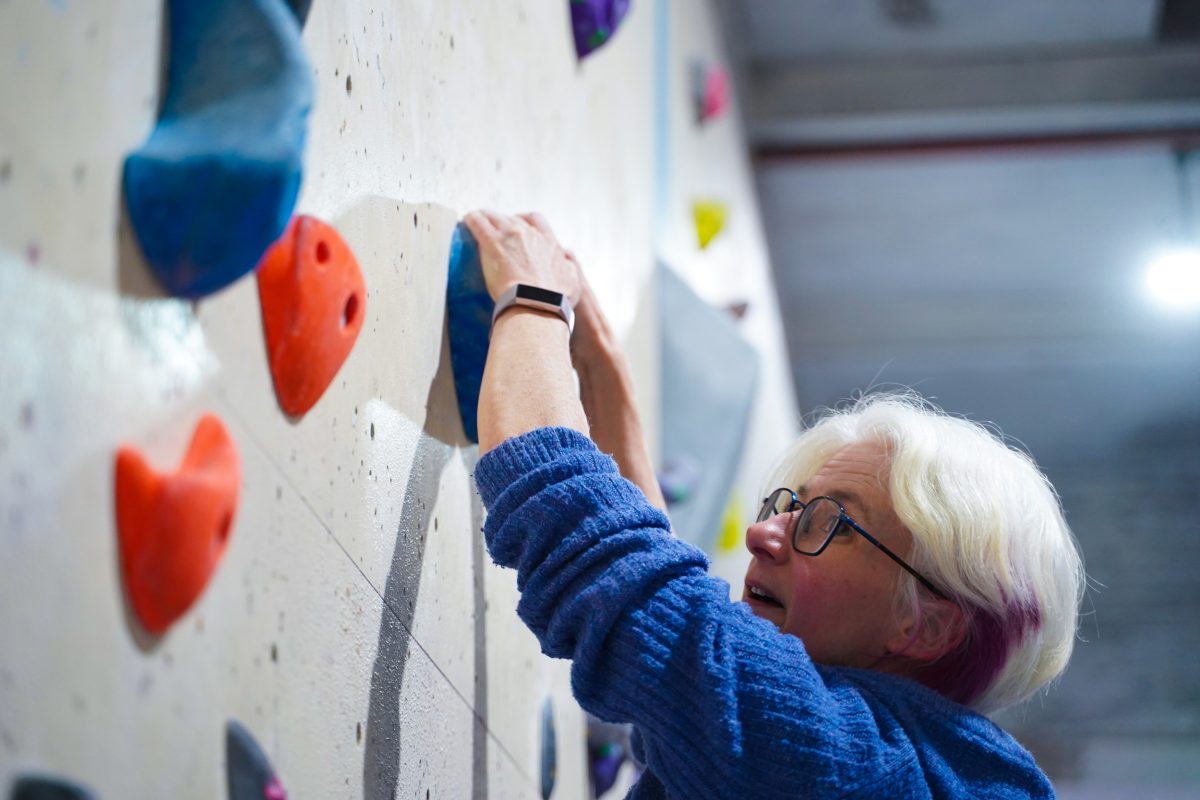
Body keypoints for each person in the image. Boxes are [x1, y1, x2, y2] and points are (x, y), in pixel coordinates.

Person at [464, 209, 1085, 799]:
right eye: (791, 506)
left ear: (924, 624)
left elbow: (594, 552)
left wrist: (533, 298)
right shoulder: (929, 767)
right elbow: (660, 608)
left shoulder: (843, 769)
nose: (765, 536)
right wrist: (598, 363)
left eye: (831, 524)